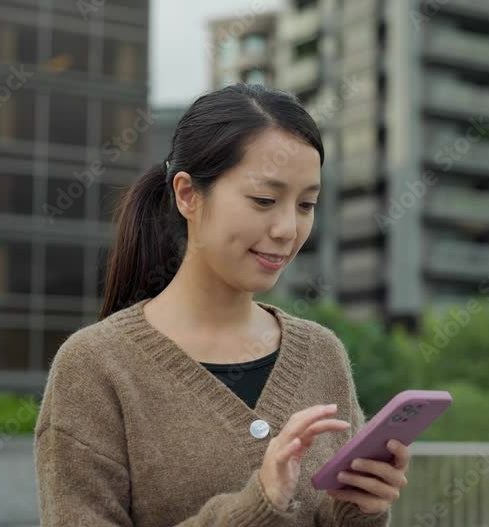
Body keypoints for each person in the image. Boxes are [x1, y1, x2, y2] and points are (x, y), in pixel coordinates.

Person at [33, 84, 408, 526]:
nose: (288, 228)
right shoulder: (95, 366)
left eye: (307, 204)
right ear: (188, 194)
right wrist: (258, 505)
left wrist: (358, 508)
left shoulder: (322, 353)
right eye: (264, 201)